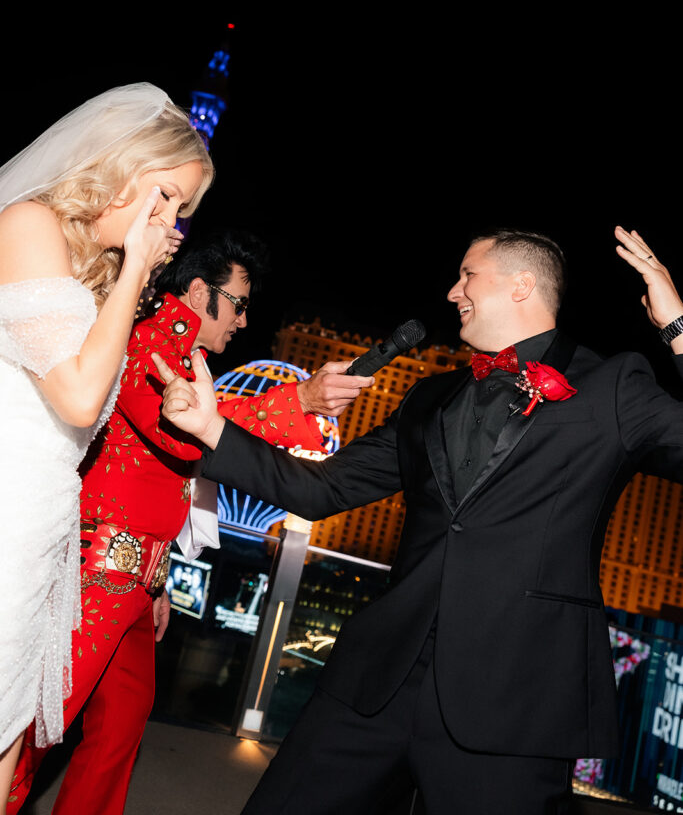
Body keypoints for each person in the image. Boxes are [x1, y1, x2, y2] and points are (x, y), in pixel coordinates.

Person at [154, 226, 683, 815]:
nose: (453, 290)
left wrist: (678, 328)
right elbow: (322, 488)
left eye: (467, 275)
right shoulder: (427, 398)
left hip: (514, 701)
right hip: (378, 682)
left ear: (521, 285)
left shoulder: (613, 388)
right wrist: (211, 431)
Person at [8, 228, 371, 814]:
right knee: (37, 731)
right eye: (239, 304)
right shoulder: (144, 340)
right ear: (201, 292)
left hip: (135, 578)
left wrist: (157, 580)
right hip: (99, 575)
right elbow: (179, 431)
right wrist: (298, 401)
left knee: (117, 736)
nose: (244, 322)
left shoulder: (185, 359)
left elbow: (176, 463)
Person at [0, 83, 214, 805]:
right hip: (8, 500)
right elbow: (79, 396)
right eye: (164, 197)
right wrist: (136, 270)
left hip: (45, 518)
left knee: (9, 731)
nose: (170, 223)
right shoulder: (30, 222)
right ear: (121, 166)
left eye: (181, 211)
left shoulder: (92, 270)